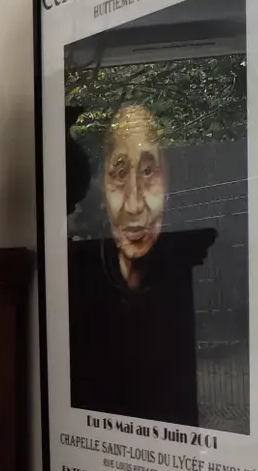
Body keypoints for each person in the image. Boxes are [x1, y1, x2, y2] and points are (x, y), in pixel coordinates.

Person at [66, 102, 214, 427]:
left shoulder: (188, 278)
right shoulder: (77, 281)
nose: (134, 203)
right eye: (119, 173)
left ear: (171, 184)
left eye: (149, 172)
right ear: (101, 190)